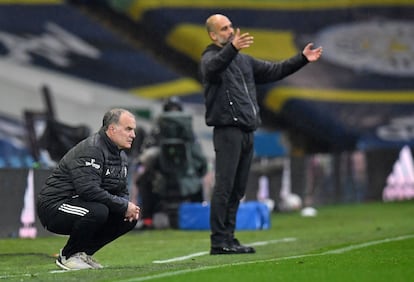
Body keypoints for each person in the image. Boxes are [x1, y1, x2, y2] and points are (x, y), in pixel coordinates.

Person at [200, 14, 323, 255]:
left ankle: (229, 237)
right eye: (223, 29)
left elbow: (274, 70)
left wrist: (302, 59)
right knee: (224, 187)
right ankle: (218, 242)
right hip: (227, 130)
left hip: (247, 129)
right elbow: (212, 70)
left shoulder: (243, 61)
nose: (229, 31)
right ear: (213, 35)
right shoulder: (209, 58)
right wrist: (233, 48)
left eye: (230, 27)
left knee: (237, 189)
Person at [36, 108, 141, 270]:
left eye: (133, 130)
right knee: (98, 211)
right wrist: (123, 205)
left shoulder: (121, 156)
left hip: (82, 204)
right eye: (128, 129)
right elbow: (88, 190)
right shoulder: (92, 149)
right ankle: (67, 255)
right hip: (54, 206)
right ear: (112, 129)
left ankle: (82, 253)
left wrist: (126, 207)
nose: (133, 135)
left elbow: (121, 190)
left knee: (127, 218)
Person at [134, 96, 207, 228]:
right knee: (144, 181)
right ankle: (198, 217)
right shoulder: (188, 134)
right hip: (181, 179)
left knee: (143, 180)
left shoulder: (159, 132)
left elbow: (144, 155)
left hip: (169, 179)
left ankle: (147, 220)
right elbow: (200, 160)